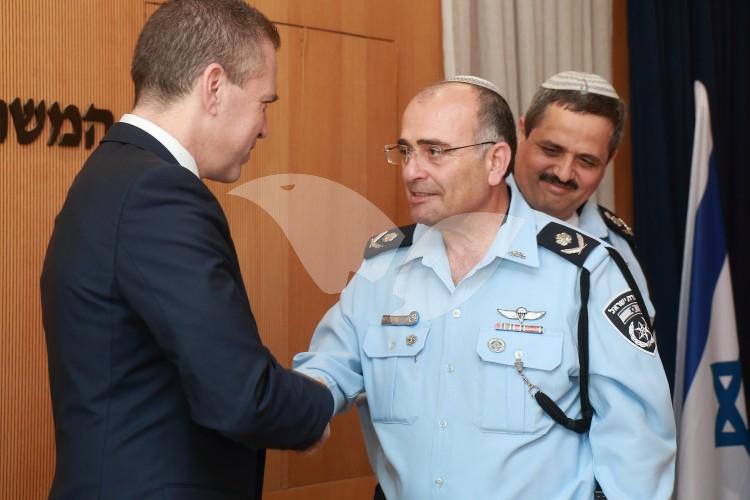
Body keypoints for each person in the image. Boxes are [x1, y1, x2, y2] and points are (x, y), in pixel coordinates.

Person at [293, 76, 676, 499]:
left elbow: (637, 441)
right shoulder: (383, 269)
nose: (412, 171)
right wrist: (294, 405)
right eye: (406, 151)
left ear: (496, 162)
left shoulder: (586, 272)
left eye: (435, 151)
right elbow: (330, 368)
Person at [40, 1, 332, 499]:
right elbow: (240, 396)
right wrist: (322, 404)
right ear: (214, 86)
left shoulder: (112, 176)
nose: (264, 127)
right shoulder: (159, 194)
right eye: (265, 102)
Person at [512, 70, 654, 321]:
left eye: (586, 161)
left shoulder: (616, 244)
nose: (564, 174)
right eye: (551, 150)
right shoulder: (473, 223)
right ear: (522, 133)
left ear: (610, 159)